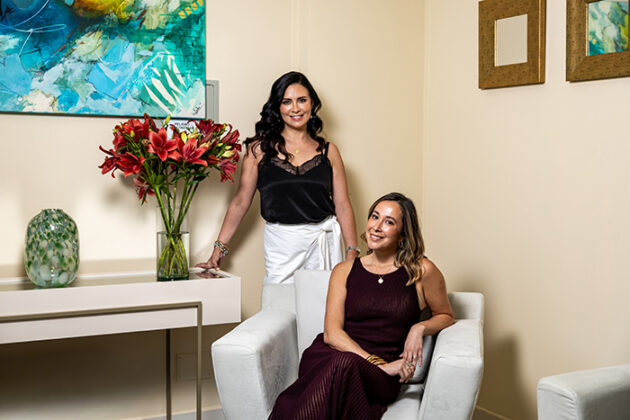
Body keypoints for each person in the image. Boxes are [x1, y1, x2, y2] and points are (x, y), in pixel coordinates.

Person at [269, 192, 455, 419]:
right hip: (332, 356)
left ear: (403, 235)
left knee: (342, 367)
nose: (376, 226)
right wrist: (377, 364)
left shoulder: (422, 271)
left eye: (389, 222)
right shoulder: (344, 270)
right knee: (342, 363)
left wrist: (420, 328)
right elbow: (332, 334)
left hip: (379, 377)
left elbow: (445, 314)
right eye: (374, 217)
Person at [196, 71, 359, 284]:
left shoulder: (329, 151)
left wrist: (352, 252)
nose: (295, 108)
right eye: (286, 102)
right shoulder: (258, 150)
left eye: (302, 100)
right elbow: (240, 201)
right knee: (278, 303)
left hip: (324, 245)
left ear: (312, 103)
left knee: (325, 305)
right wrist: (218, 250)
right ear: (277, 107)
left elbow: (342, 205)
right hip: (281, 247)